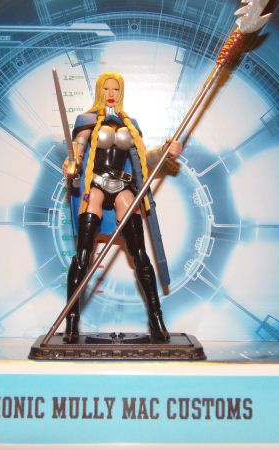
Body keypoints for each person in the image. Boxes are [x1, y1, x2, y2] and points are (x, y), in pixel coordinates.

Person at [62, 71, 182, 343]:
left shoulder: (130, 124)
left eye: (116, 88)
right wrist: (71, 166)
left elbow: (143, 159)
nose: (111, 93)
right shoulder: (87, 120)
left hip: (122, 185)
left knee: (140, 254)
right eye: (107, 88)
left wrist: (165, 151)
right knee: (83, 255)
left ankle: (156, 319)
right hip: (96, 184)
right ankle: (71, 321)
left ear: (121, 91)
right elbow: (76, 155)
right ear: (99, 91)